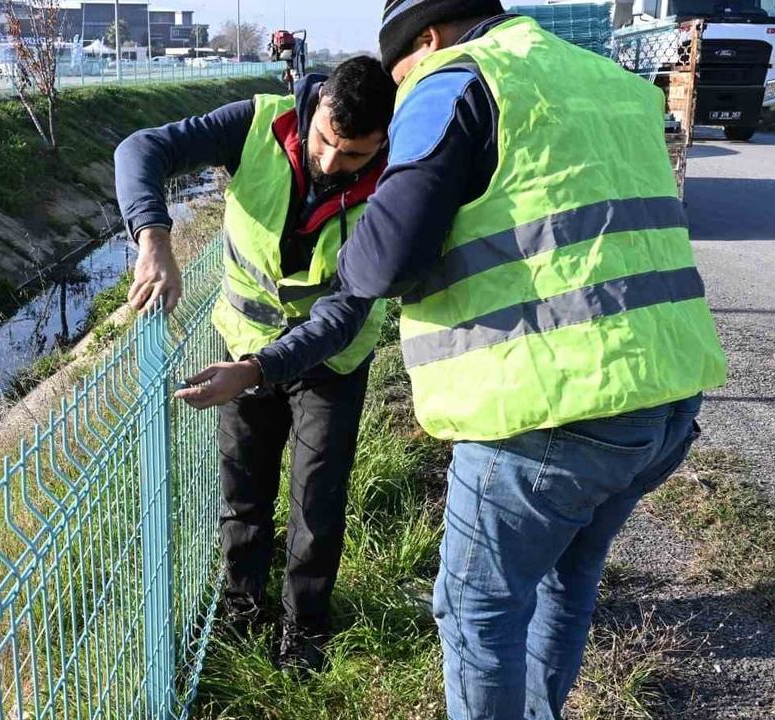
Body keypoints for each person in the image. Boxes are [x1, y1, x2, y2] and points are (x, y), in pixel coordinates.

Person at [174, 2, 728, 717]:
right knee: (565, 584)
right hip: (668, 396)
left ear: (426, 40)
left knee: (479, 615)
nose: (399, 92)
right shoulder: (607, 79)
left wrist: (370, 216)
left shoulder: (455, 79)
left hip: (550, 411)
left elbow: (380, 266)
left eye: (400, 75)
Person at [114, 56, 397, 673]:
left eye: (352, 157)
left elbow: (343, 314)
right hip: (242, 342)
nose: (329, 164)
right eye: (325, 141)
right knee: (241, 490)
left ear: (383, 140)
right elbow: (140, 148)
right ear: (314, 104)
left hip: (330, 362)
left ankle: (305, 630)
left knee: (316, 503)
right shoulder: (258, 125)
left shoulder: (400, 182)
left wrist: (255, 370)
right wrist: (154, 238)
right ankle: (241, 608)